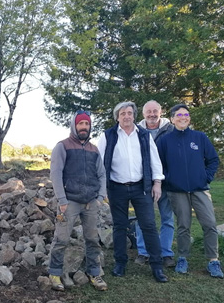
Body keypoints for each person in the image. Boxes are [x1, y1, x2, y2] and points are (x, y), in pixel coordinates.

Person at [97, 101, 168, 283]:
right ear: (117, 117)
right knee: (119, 226)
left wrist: (157, 183)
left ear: (134, 115)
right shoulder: (108, 136)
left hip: (140, 187)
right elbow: (99, 164)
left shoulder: (143, 135)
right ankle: (120, 263)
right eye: (123, 113)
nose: (126, 116)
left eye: (129, 113)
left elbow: (154, 159)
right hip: (117, 188)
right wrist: (102, 187)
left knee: (149, 226)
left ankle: (157, 266)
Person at [157, 104, 224, 278]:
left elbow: (213, 160)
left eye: (186, 114)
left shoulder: (199, 137)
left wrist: (205, 177)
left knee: (209, 224)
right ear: (172, 119)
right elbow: (159, 166)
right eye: (179, 115)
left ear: (189, 118)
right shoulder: (165, 141)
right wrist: (169, 180)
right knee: (183, 226)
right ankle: (183, 258)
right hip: (177, 191)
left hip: (200, 189)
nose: (183, 117)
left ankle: (213, 261)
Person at [48, 110, 108, 292]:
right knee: (61, 239)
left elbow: (102, 174)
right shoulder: (63, 146)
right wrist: (62, 199)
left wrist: (99, 197)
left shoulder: (94, 149)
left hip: (90, 202)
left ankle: (94, 272)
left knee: (92, 239)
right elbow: (56, 173)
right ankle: (55, 272)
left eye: (87, 124)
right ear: (74, 125)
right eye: (81, 124)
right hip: (69, 202)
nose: (84, 127)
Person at [133, 100, 176, 268]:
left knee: (167, 217)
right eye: (148, 111)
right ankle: (143, 252)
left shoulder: (170, 130)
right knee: (142, 218)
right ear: (143, 114)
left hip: (166, 181)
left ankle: (166, 253)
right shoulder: (136, 131)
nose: (152, 114)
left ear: (161, 112)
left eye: (155, 111)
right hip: (142, 182)